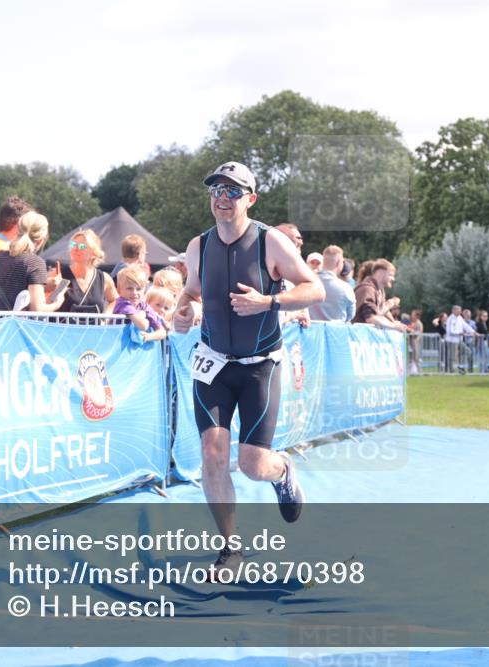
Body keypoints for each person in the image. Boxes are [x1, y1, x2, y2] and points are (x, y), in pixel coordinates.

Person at [172, 161, 325, 575]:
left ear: (250, 199)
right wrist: (181, 312)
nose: (222, 198)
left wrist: (268, 302)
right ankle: (231, 548)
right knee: (213, 455)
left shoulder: (270, 242)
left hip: (260, 365)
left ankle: (283, 470)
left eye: (233, 191)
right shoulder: (197, 246)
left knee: (254, 464)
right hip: (213, 364)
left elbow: (315, 288)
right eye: (216, 191)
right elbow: (189, 293)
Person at [0, 211, 65, 313]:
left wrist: (42, 285)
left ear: (18, 231)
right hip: (13, 327)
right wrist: (58, 303)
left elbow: (8, 289)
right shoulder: (34, 263)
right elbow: (37, 310)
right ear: (41, 240)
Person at [58, 229, 119, 316]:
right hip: (65, 329)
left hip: (94, 329)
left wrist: (105, 317)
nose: (75, 248)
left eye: (82, 246)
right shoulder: (59, 275)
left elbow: (115, 300)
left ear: (93, 253)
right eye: (73, 244)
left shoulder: (104, 278)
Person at [113, 266, 166, 342]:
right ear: (119, 290)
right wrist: (143, 315)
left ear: (144, 290)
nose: (134, 293)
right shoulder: (123, 303)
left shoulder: (143, 305)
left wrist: (148, 336)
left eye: (138, 289)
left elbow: (162, 332)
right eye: (129, 288)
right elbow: (143, 325)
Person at [351, 259, 406, 331]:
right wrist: (393, 326)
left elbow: (379, 313)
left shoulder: (379, 290)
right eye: (390, 275)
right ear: (381, 273)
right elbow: (370, 317)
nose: (393, 279)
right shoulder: (367, 289)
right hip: (359, 336)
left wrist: (393, 323)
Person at [308, 245, 356, 322]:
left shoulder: (307, 283)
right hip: (336, 332)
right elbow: (351, 315)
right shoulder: (346, 288)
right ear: (339, 263)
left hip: (309, 332)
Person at [408, 309, 423, 375]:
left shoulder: (419, 323)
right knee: (410, 358)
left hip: (416, 343)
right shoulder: (412, 323)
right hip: (411, 343)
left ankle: (419, 371)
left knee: (416, 358)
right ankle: (411, 371)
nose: (411, 316)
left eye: (413, 314)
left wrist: (412, 331)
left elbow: (419, 332)